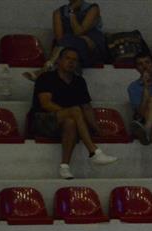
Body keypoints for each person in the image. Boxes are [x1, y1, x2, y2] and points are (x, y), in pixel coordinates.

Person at [32, 48, 117, 180]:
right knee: (75, 111)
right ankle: (94, 152)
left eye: (74, 60)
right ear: (59, 60)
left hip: (66, 121)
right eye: (68, 58)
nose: (71, 62)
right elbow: (46, 104)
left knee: (70, 122)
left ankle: (64, 167)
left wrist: (97, 129)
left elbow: (87, 108)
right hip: (43, 119)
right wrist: (69, 112)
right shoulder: (46, 78)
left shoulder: (79, 81)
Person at [53, 0, 107, 68]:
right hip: (67, 46)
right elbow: (60, 39)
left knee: (79, 43)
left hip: (91, 48)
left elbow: (78, 31)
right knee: (68, 44)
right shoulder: (58, 13)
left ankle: (52, 63)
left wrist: (71, 12)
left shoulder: (93, 8)